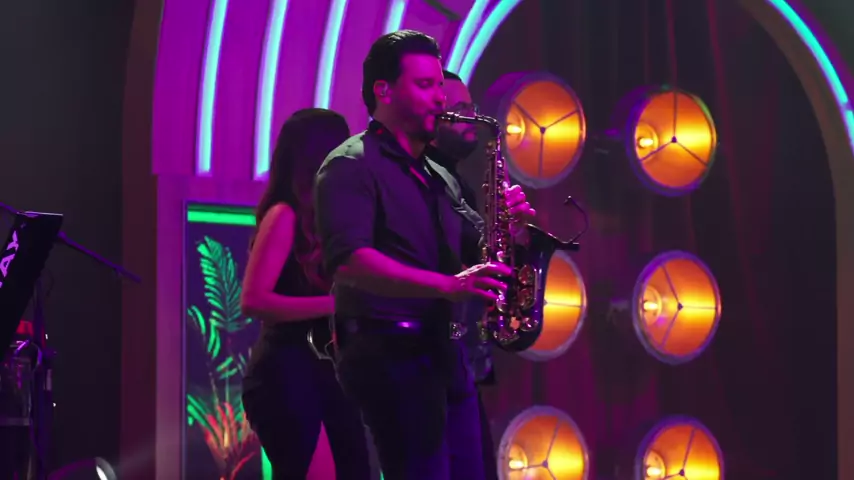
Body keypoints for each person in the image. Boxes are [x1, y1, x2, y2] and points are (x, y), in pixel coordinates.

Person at [313, 30, 535, 480]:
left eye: (439, 85)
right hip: (389, 354)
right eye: (425, 85)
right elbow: (350, 262)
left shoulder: (440, 176)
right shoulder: (350, 164)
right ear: (384, 90)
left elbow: (481, 248)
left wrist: (511, 229)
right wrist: (448, 286)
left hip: (445, 352)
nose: (440, 98)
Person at [240, 108, 372, 480]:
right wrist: (335, 304)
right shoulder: (284, 216)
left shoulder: (329, 218)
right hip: (286, 371)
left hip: (330, 370)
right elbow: (254, 300)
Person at [434, 69, 499, 480]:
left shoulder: (460, 185)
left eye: (472, 108)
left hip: (462, 354)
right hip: (434, 355)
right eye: (459, 109)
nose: (471, 118)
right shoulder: (423, 180)